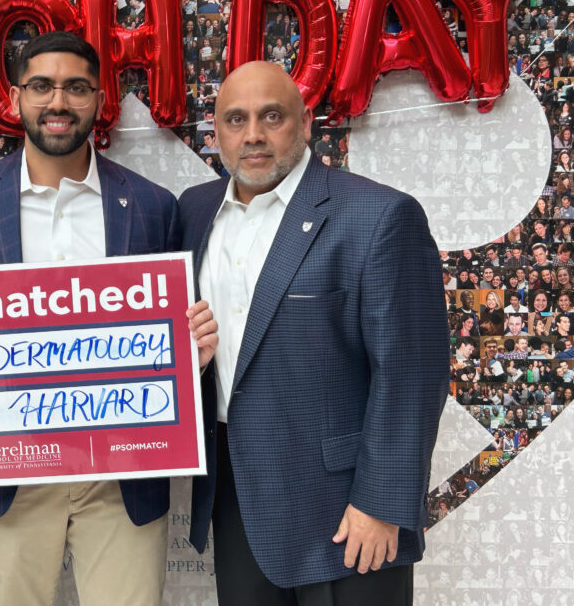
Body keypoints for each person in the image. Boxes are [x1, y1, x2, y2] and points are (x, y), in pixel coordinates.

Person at [0, 31, 216, 606]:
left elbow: (170, 334)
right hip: (10, 470)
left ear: (98, 98)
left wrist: (190, 351)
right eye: (41, 86)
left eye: (76, 87)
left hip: (125, 472)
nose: (58, 102)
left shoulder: (152, 206)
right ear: (16, 95)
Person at [179, 62, 449, 605]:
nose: (253, 134)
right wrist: (193, 361)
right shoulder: (194, 211)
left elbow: (411, 375)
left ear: (305, 124)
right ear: (216, 133)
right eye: (236, 119)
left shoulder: (378, 215)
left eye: (271, 116)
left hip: (345, 509)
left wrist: (382, 502)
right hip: (239, 497)